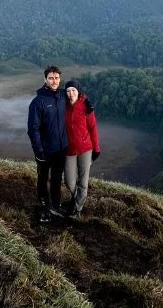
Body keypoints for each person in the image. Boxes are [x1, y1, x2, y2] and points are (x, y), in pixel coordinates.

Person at [27, 65, 68, 223]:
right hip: (44, 150)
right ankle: (43, 205)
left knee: (57, 178)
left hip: (60, 148)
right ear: (45, 79)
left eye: (57, 78)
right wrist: (38, 151)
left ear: (60, 79)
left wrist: (87, 103)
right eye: (51, 78)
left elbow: (77, 97)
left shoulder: (63, 96)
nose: (54, 81)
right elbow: (33, 129)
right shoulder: (38, 102)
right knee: (43, 177)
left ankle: (56, 205)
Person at [62, 79, 99, 219]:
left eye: (73, 90)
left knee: (83, 181)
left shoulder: (86, 107)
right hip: (69, 149)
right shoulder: (63, 107)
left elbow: (93, 128)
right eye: (68, 91)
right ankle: (74, 197)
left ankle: (77, 208)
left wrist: (96, 149)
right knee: (69, 181)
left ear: (78, 91)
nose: (71, 93)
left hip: (85, 149)